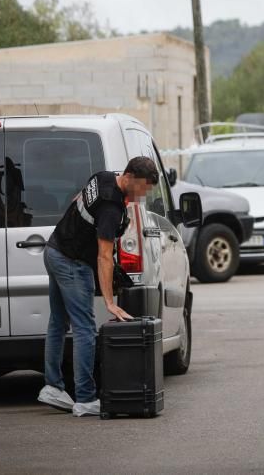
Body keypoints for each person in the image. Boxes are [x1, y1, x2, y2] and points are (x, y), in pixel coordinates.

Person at [38, 157, 160, 417]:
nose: (143, 195)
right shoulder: (111, 208)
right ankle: (85, 398)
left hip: (55, 249)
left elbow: (76, 201)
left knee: (58, 322)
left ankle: (53, 386)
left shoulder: (102, 177)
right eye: (143, 188)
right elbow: (104, 256)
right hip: (72, 262)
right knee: (84, 328)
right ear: (129, 176)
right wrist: (109, 301)